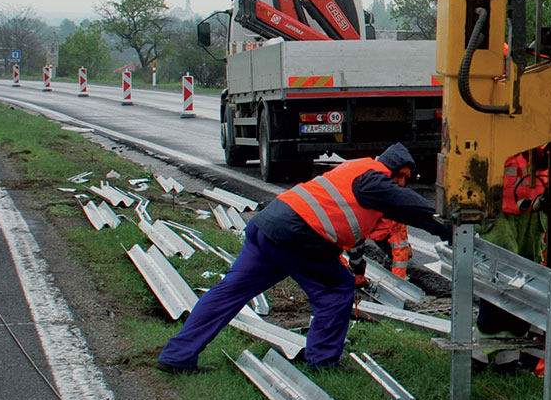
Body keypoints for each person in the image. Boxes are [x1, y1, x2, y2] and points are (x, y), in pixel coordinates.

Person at [155, 144, 450, 373]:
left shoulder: (358, 173)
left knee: (228, 293)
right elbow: (412, 207)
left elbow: (371, 231)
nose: (402, 183)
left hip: (267, 226)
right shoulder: (375, 178)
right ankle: (323, 363)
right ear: (391, 167)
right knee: (336, 289)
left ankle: (177, 356)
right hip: (296, 235)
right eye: (401, 176)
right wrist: (447, 224)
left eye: (406, 179)